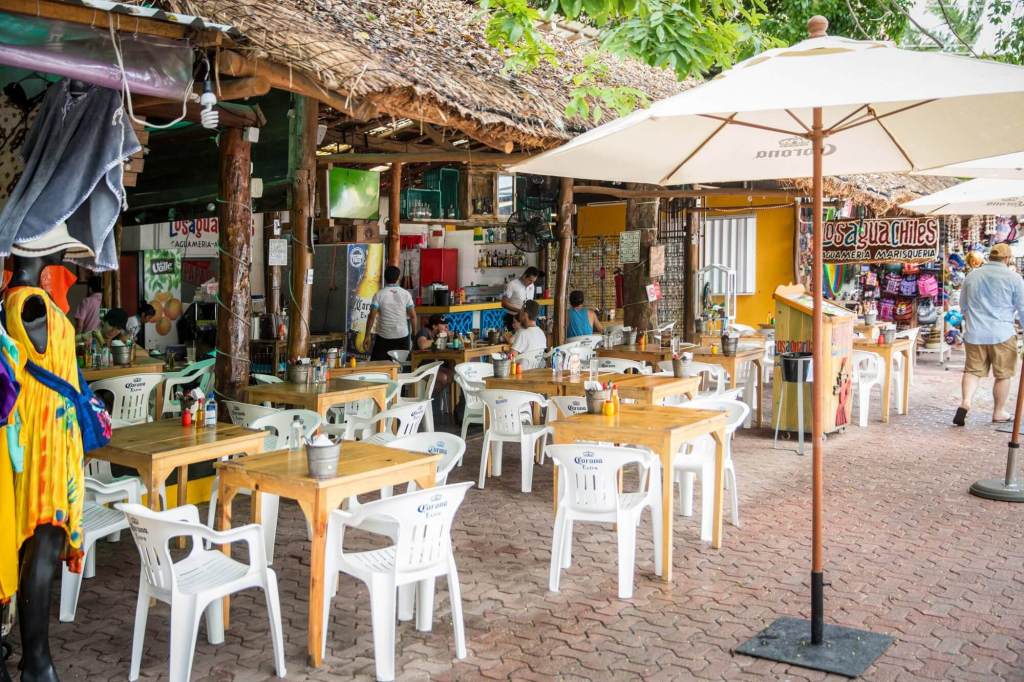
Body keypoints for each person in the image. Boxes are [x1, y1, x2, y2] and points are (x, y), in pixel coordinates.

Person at [954, 242, 1024, 426]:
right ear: (1007, 258)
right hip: (1002, 333)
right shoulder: (1014, 278)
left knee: (972, 371)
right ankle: (999, 412)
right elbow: (1023, 309)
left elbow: (963, 305)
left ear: (990, 257)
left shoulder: (972, 275)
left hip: (975, 332)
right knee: (1003, 374)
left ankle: (966, 402)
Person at [363, 265, 417, 361]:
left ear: (385, 278)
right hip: (402, 335)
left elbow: (371, 317)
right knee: (401, 366)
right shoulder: (406, 294)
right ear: (398, 278)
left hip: (384, 337)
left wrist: (367, 336)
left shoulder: (379, 295)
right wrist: (414, 333)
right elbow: (413, 316)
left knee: (379, 366)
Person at [414, 314, 453, 394]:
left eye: (447, 324)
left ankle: (439, 403)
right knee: (443, 377)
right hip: (419, 367)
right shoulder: (424, 331)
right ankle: (430, 402)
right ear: (434, 326)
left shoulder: (438, 335)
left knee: (452, 375)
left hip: (432, 365)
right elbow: (422, 345)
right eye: (443, 324)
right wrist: (437, 338)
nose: (447, 327)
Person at [501, 266, 543, 332]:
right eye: (530, 280)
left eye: (533, 281)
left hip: (526, 319)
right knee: (512, 340)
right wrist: (519, 311)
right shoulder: (512, 285)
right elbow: (504, 303)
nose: (531, 283)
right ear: (524, 276)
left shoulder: (531, 286)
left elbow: (530, 302)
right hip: (512, 318)